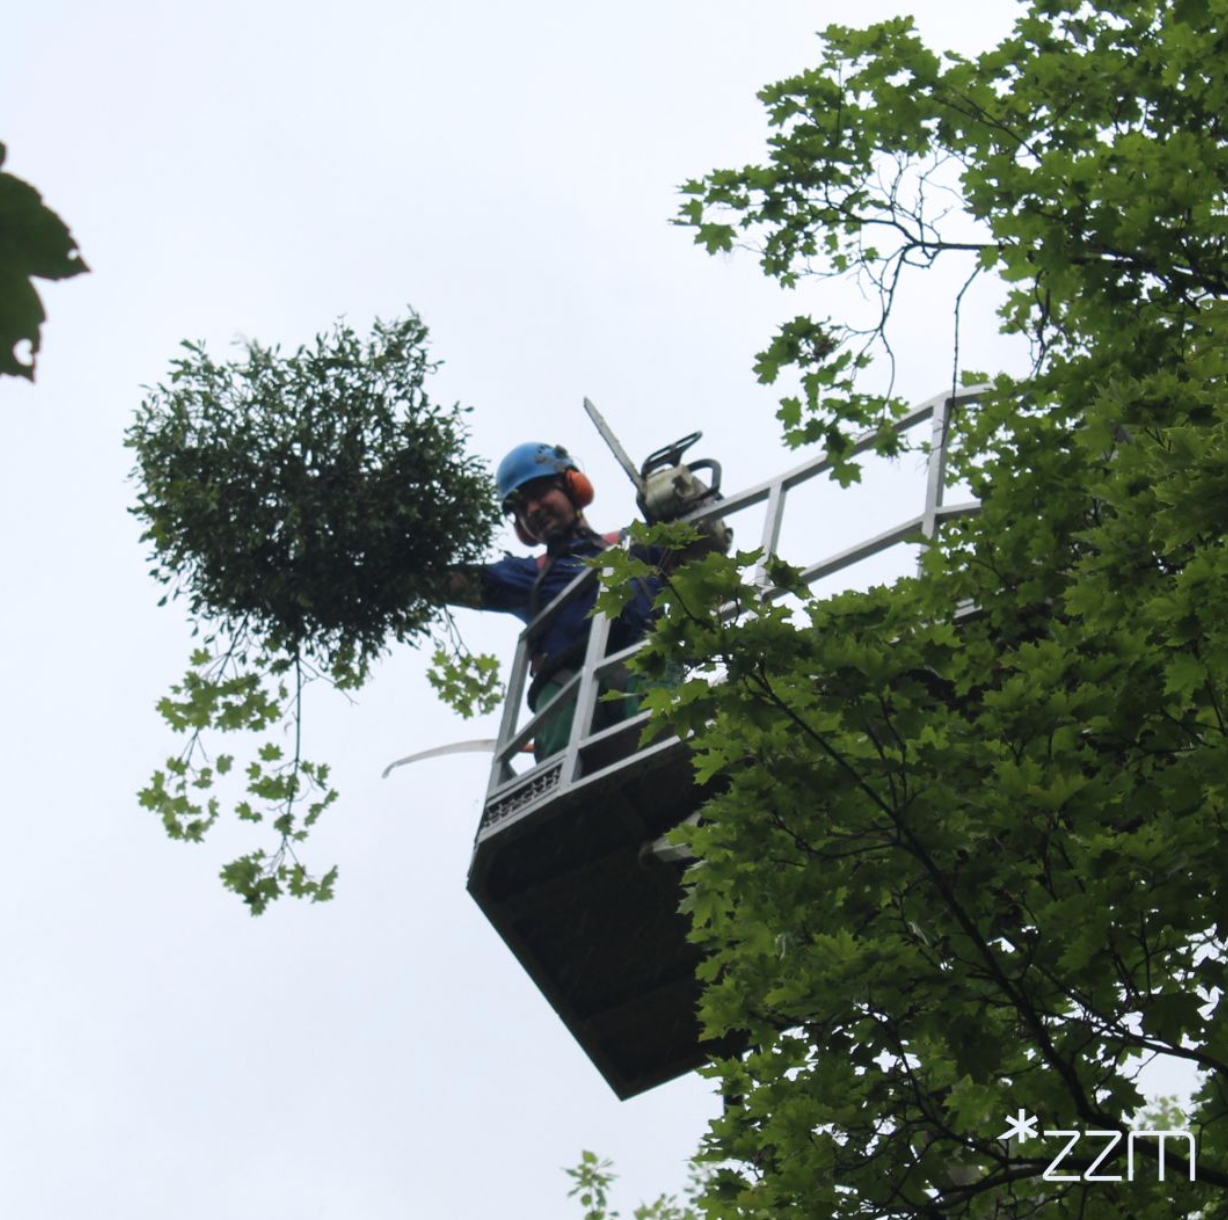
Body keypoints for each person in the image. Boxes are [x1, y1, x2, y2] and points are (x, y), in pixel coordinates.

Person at [446, 441, 704, 760]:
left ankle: (670, 756)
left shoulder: (636, 544)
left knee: (657, 687)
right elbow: (444, 583)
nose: (532, 510)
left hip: (643, 669)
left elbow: (702, 539)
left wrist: (684, 500)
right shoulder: (525, 578)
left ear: (573, 486)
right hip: (567, 693)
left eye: (539, 493)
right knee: (559, 719)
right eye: (520, 509)